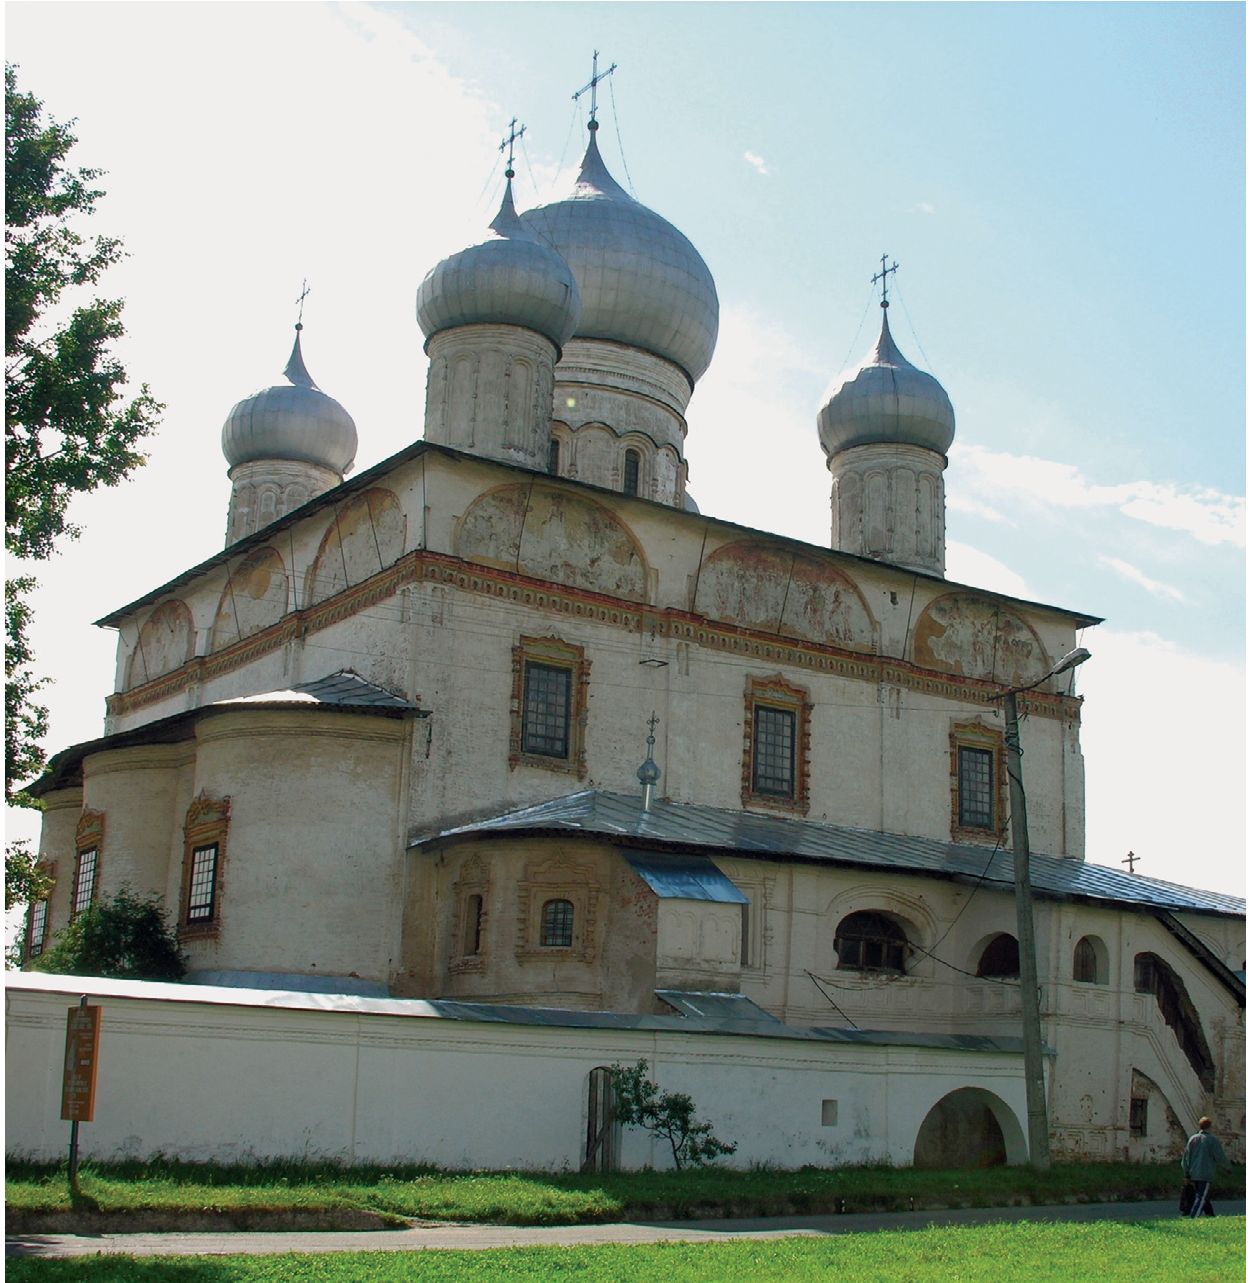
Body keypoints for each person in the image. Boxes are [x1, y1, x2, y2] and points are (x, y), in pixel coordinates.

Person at [1181, 1116, 1226, 1218]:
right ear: (1210, 1127)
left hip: (1193, 1173)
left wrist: (1186, 1172)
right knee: (1201, 1196)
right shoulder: (1212, 1140)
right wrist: (1228, 1167)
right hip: (1205, 1174)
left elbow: (1186, 1158)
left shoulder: (1192, 1139)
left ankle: (1210, 1215)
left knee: (1203, 1195)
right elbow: (1220, 1156)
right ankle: (1194, 1216)